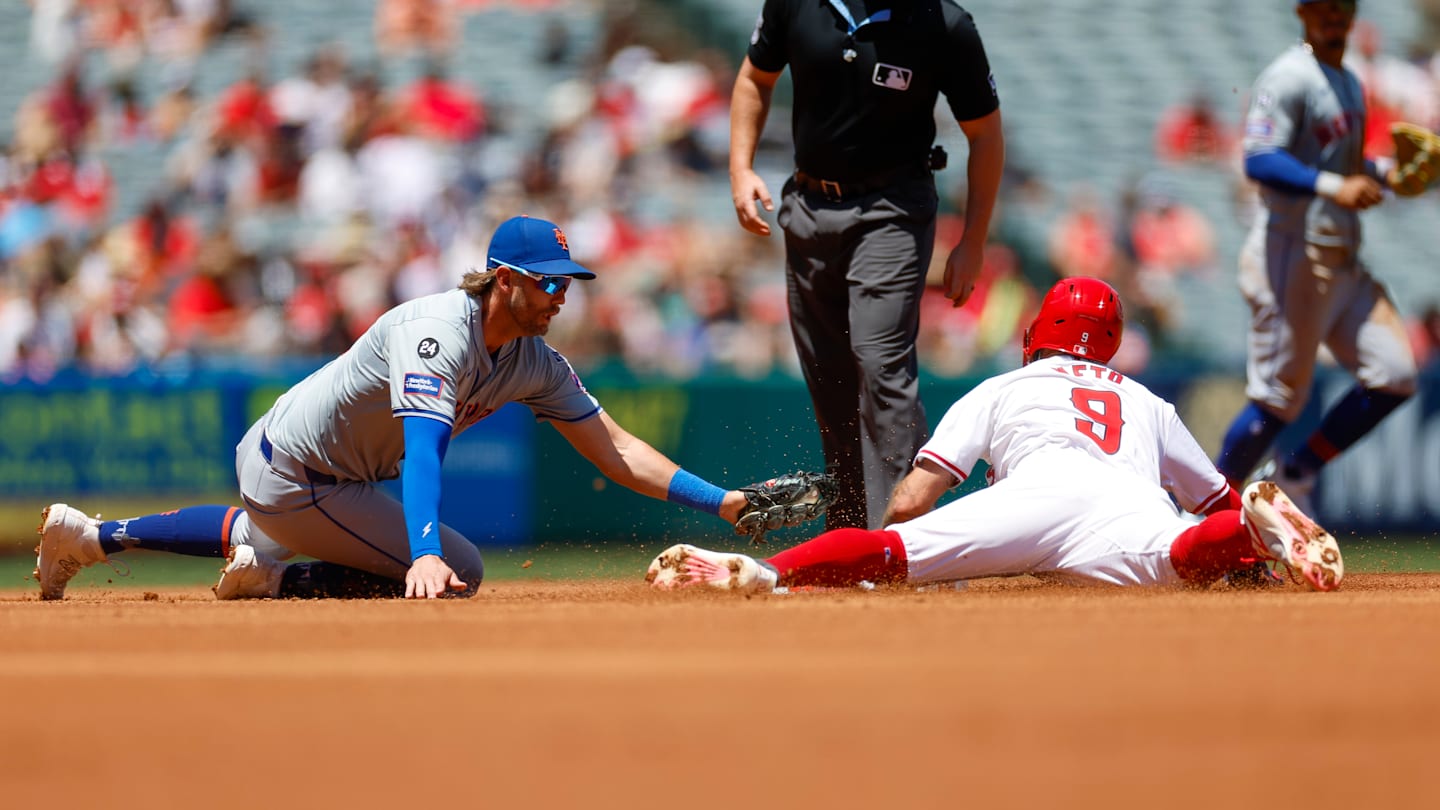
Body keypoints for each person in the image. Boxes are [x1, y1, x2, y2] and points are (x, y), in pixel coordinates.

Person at [35, 215, 833, 601]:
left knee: (268, 531)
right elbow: (424, 452)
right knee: (462, 573)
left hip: (301, 467)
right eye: (547, 279)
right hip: (303, 473)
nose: (561, 293)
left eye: (567, 280)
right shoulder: (437, 333)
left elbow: (614, 448)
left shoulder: (531, 361)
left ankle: (96, 536)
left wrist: (719, 501)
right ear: (503, 278)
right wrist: (421, 551)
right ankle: (274, 582)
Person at [646, 278, 1345, 595]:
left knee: (888, 553)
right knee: (1182, 556)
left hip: (1032, 495)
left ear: (1037, 332)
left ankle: (773, 575)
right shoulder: (1145, 398)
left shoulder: (1002, 388)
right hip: (1125, 503)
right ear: (1109, 345)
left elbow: (918, 494)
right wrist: (1243, 553)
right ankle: (1261, 534)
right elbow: (1216, 496)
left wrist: (895, 560)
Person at [729, 0, 1005, 530]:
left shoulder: (943, 23)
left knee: (880, 365)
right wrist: (741, 168)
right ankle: (850, 532)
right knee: (829, 377)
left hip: (892, 210)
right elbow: (754, 79)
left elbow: (985, 133)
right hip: (807, 209)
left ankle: (904, 534)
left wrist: (973, 240)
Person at [1214, 0, 1418, 518]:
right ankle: (1199, 513)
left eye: (1342, 6)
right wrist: (1334, 184)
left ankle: (1297, 473)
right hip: (1292, 256)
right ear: (1302, 11)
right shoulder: (1288, 77)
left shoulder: (1346, 79)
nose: (1334, 15)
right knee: (1277, 403)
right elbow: (1259, 157)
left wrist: (1389, 172)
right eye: (1323, 6)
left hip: (1342, 259)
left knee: (1394, 374)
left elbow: (1341, 163)